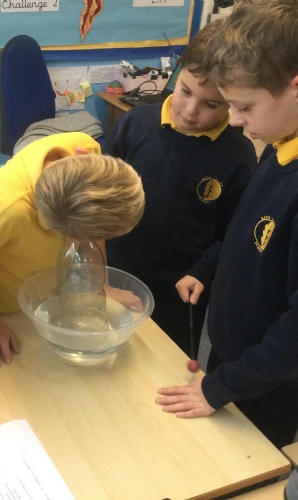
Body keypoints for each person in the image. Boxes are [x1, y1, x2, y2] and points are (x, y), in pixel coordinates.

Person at [156, 0, 298, 450]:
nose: (235, 120)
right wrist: (208, 267)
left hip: (268, 380)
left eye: (244, 106)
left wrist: (219, 389)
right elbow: (245, 230)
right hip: (233, 355)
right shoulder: (281, 142)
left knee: (246, 465)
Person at [102, 20, 257, 356]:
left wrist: (204, 270)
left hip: (180, 287)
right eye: (185, 91)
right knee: (108, 346)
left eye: (211, 104)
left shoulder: (238, 156)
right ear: (177, 74)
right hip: (116, 270)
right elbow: (98, 185)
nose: (190, 110)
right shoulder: (134, 123)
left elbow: (234, 232)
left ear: (233, 102)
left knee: (165, 360)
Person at [0, 132, 145, 368]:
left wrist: (103, 286)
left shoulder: (87, 154)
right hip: (5, 307)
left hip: (52, 294)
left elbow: (95, 224)